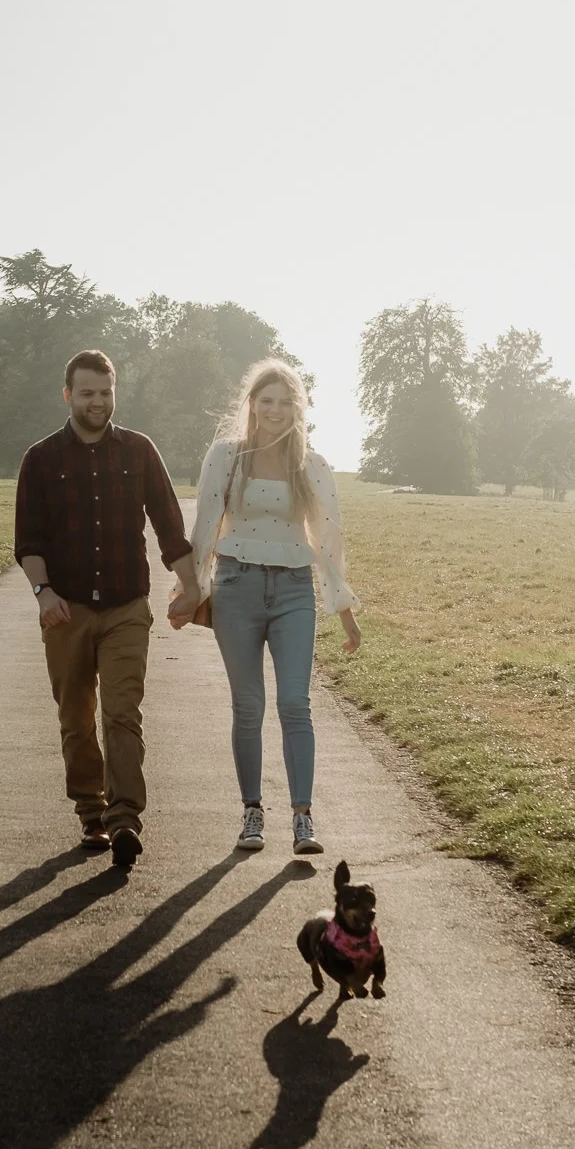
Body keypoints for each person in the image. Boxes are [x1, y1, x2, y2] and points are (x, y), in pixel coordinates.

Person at [15, 349, 198, 870]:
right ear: (68, 394)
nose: (98, 402)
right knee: (76, 719)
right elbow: (29, 539)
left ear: (115, 392)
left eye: (106, 392)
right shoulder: (42, 458)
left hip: (126, 609)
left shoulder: (139, 451)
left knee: (121, 713)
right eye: (88, 392)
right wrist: (43, 593)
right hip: (66, 611)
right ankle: (90, 812)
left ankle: (124, 820)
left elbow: (168, 527)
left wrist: (190, 590)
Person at [172, 359, 359, 855]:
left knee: (295, 702)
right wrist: (192, 590)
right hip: (237, 588)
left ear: (298, 409)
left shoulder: (311, 465)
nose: (275, 411)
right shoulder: (226, 456)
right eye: (266, 401)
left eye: (285, 402)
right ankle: (252, 811)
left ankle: (303, 817)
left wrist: (344, 608)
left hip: (295, 591)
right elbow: (206, 525)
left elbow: (328, 539)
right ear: (252, 404)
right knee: (248, 705)